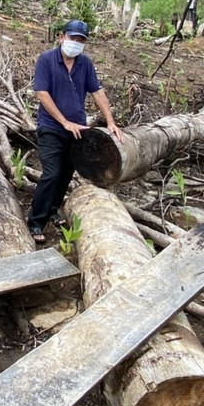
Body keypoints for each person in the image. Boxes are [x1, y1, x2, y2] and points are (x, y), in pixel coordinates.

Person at [28, 19, 125, 243]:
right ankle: (35, 221)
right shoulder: (47, 60)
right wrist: (63, 122)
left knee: (65, 174)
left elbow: (97, 92)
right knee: (52, 173)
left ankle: (52, 210)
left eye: (81, 40)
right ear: (62, 37)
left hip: (78, 129)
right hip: (51, 127)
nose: (76, 43)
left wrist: (110, 121)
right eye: (73, 38)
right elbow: (42, 93)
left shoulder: (85, 64)